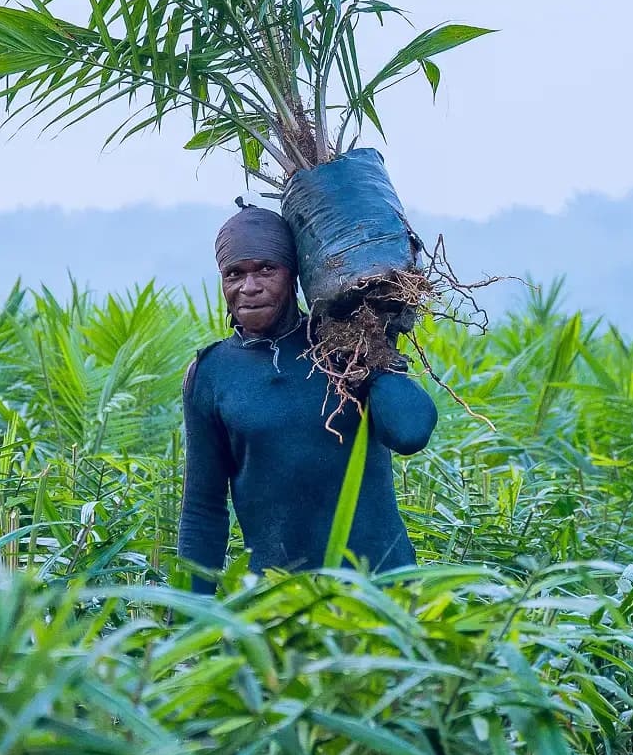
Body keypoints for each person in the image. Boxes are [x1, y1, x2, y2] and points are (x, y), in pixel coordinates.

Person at [177, 200, 438, 595]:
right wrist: (190, 620)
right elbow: (203, 509)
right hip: (280, 604)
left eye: (267, 269)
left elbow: (410, 432)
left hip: (380, 594)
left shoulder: (342, 349)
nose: (249, 287)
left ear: (294, 275)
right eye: (235, 274)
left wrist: (373, 350)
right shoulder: (211, 373)